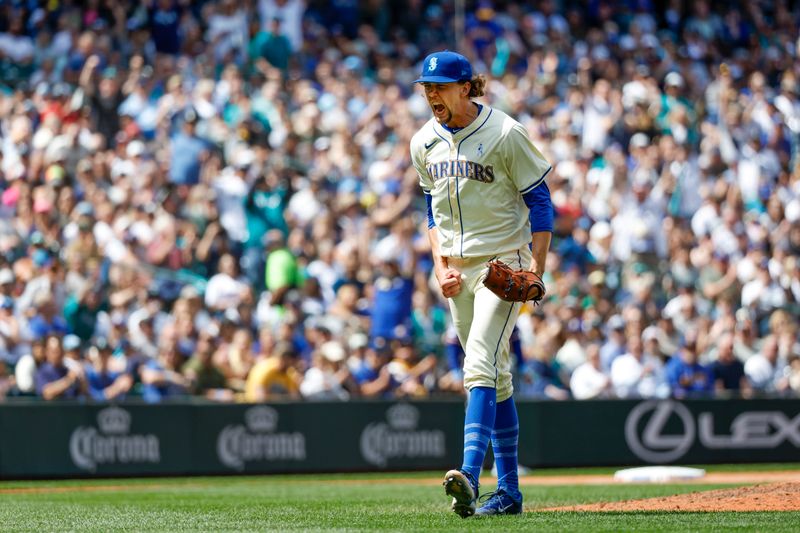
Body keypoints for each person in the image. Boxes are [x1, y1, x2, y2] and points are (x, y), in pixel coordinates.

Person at [410, 50, 553, 517]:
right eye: (427, 87)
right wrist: (439, 265)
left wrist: (537, 268)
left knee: (477, 365)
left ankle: (469, 474)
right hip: (457, 270)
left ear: (467, 87)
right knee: (498, 377)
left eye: (441, 86)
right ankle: (508, 491)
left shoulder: (505, 134)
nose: (433, 94)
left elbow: (542, 203)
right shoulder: (423, 142)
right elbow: (432, 209)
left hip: (502, 264)